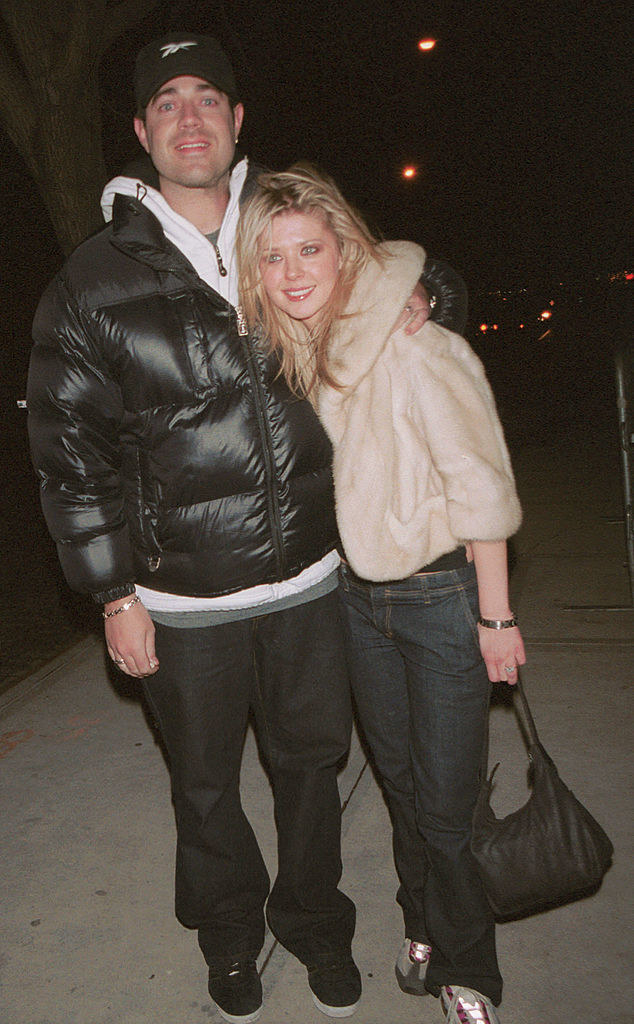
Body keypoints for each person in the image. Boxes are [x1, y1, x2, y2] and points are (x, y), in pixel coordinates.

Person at [26, 32, 468, 1024]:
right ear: (141, 131)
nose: (190, 117)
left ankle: (315, 922)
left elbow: (417, 282)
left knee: (311, 774)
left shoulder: (292, 232)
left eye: (208, 97)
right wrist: (113, 592)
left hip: (311, 580)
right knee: (204, 787)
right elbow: (70, 451)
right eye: (167, 102)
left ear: (237, 120)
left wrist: (429, 300)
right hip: (181, 603)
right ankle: (229, 936)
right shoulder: (91, 283)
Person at [236, 164, 526, 1024]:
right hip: (357, 605)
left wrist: (497, 614)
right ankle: (425, 927)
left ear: (345, 249)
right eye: (272, 257)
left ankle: (470, 970)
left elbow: (480, 483)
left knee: (444, 805)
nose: (291, 271)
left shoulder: (415, 343)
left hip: (441, 600)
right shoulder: (310, 354)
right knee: (400, 786)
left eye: (309, 249)